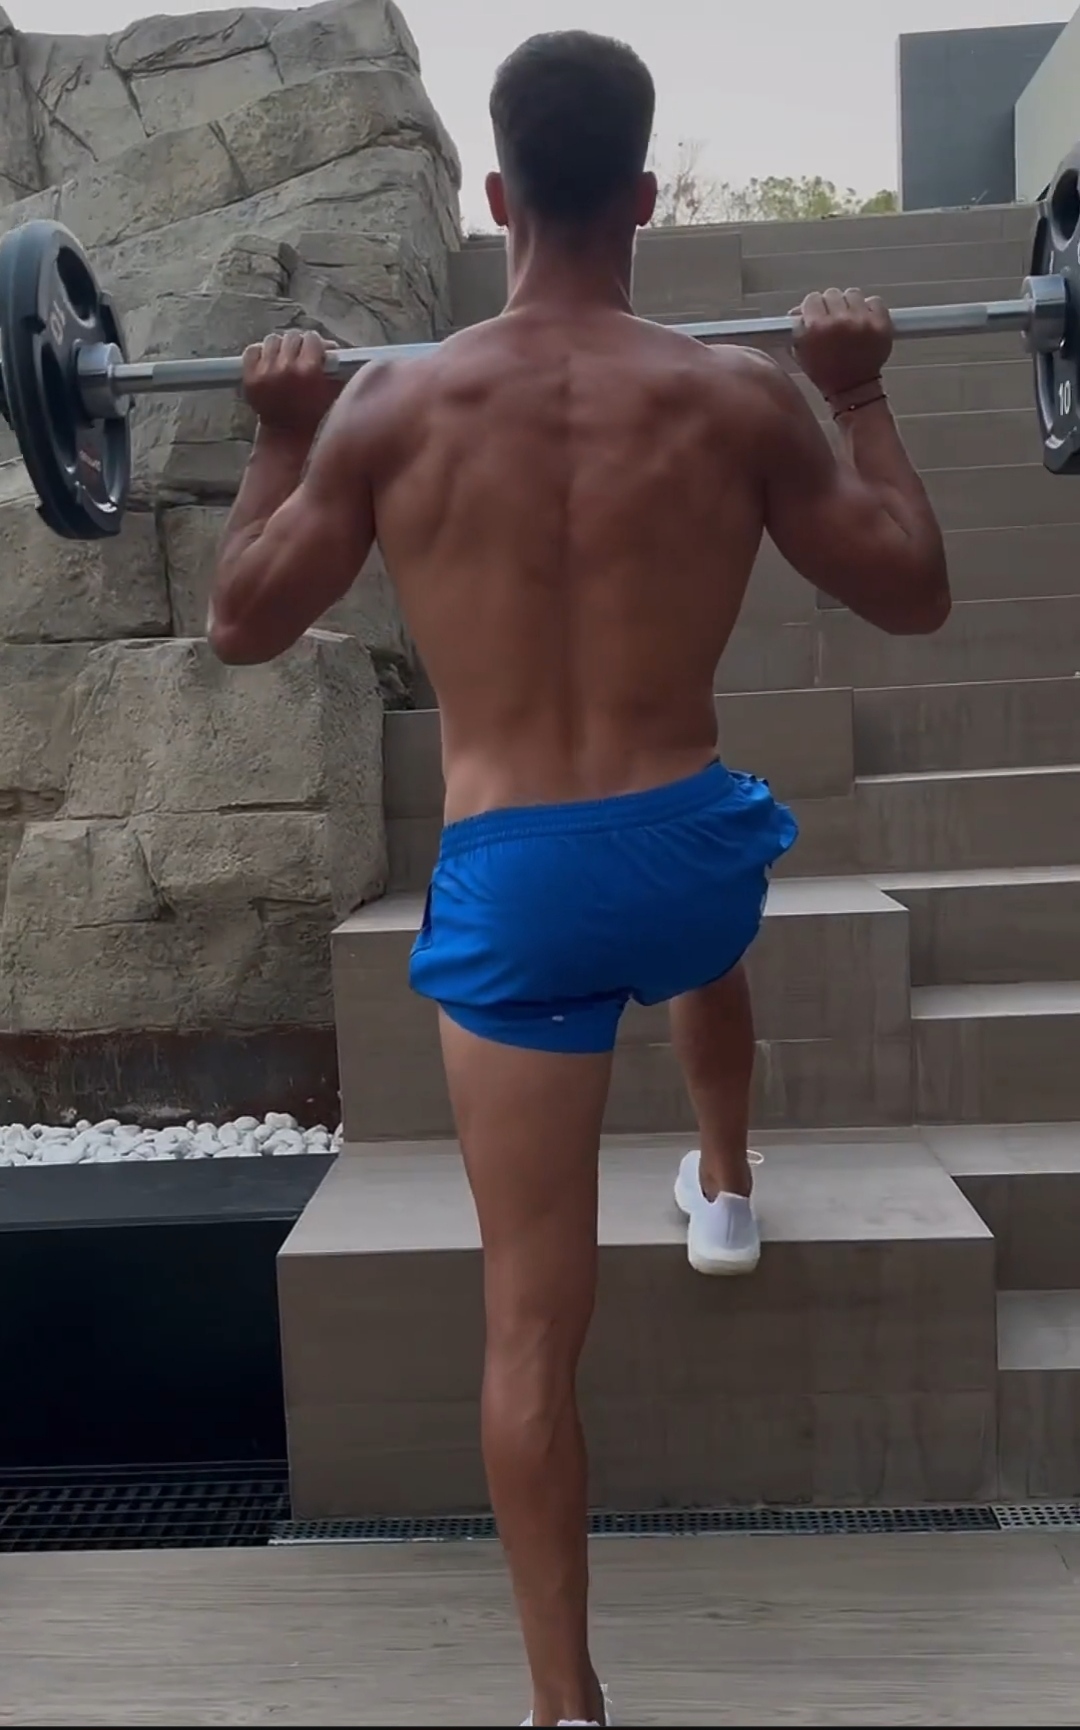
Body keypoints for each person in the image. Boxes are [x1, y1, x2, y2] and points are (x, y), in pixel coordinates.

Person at [209, 30, 951, 1727]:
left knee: (530, 1329)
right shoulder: (740, 396)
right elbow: (912, 589)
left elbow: (243, 621)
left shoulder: (389, 408)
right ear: (647, 197)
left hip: (519, 888)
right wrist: (858, 393)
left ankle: (565, 1704)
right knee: (705, 892)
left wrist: (278, 433)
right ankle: (727, 1177)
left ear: (494, 194)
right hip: (686, 858)